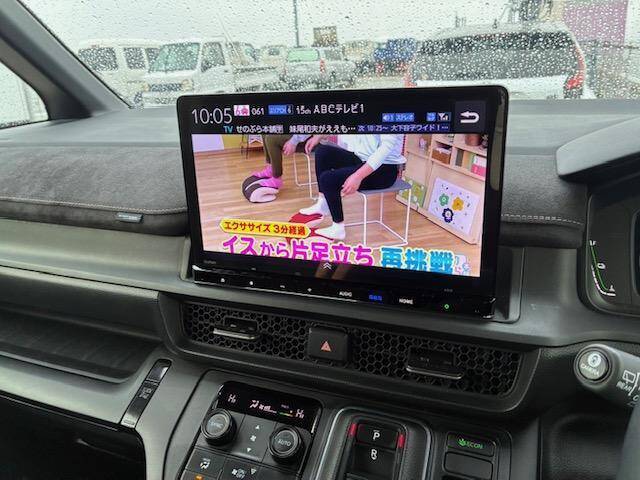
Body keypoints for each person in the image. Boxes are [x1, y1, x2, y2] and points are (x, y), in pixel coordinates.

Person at [299, 134, 405, 240]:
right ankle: (323, 204)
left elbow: (385, 148)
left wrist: (358, 176)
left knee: (328, 179)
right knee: (323, 152)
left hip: (384, 169)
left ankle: (338, 228)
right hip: (362, 159)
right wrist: (320, 135)